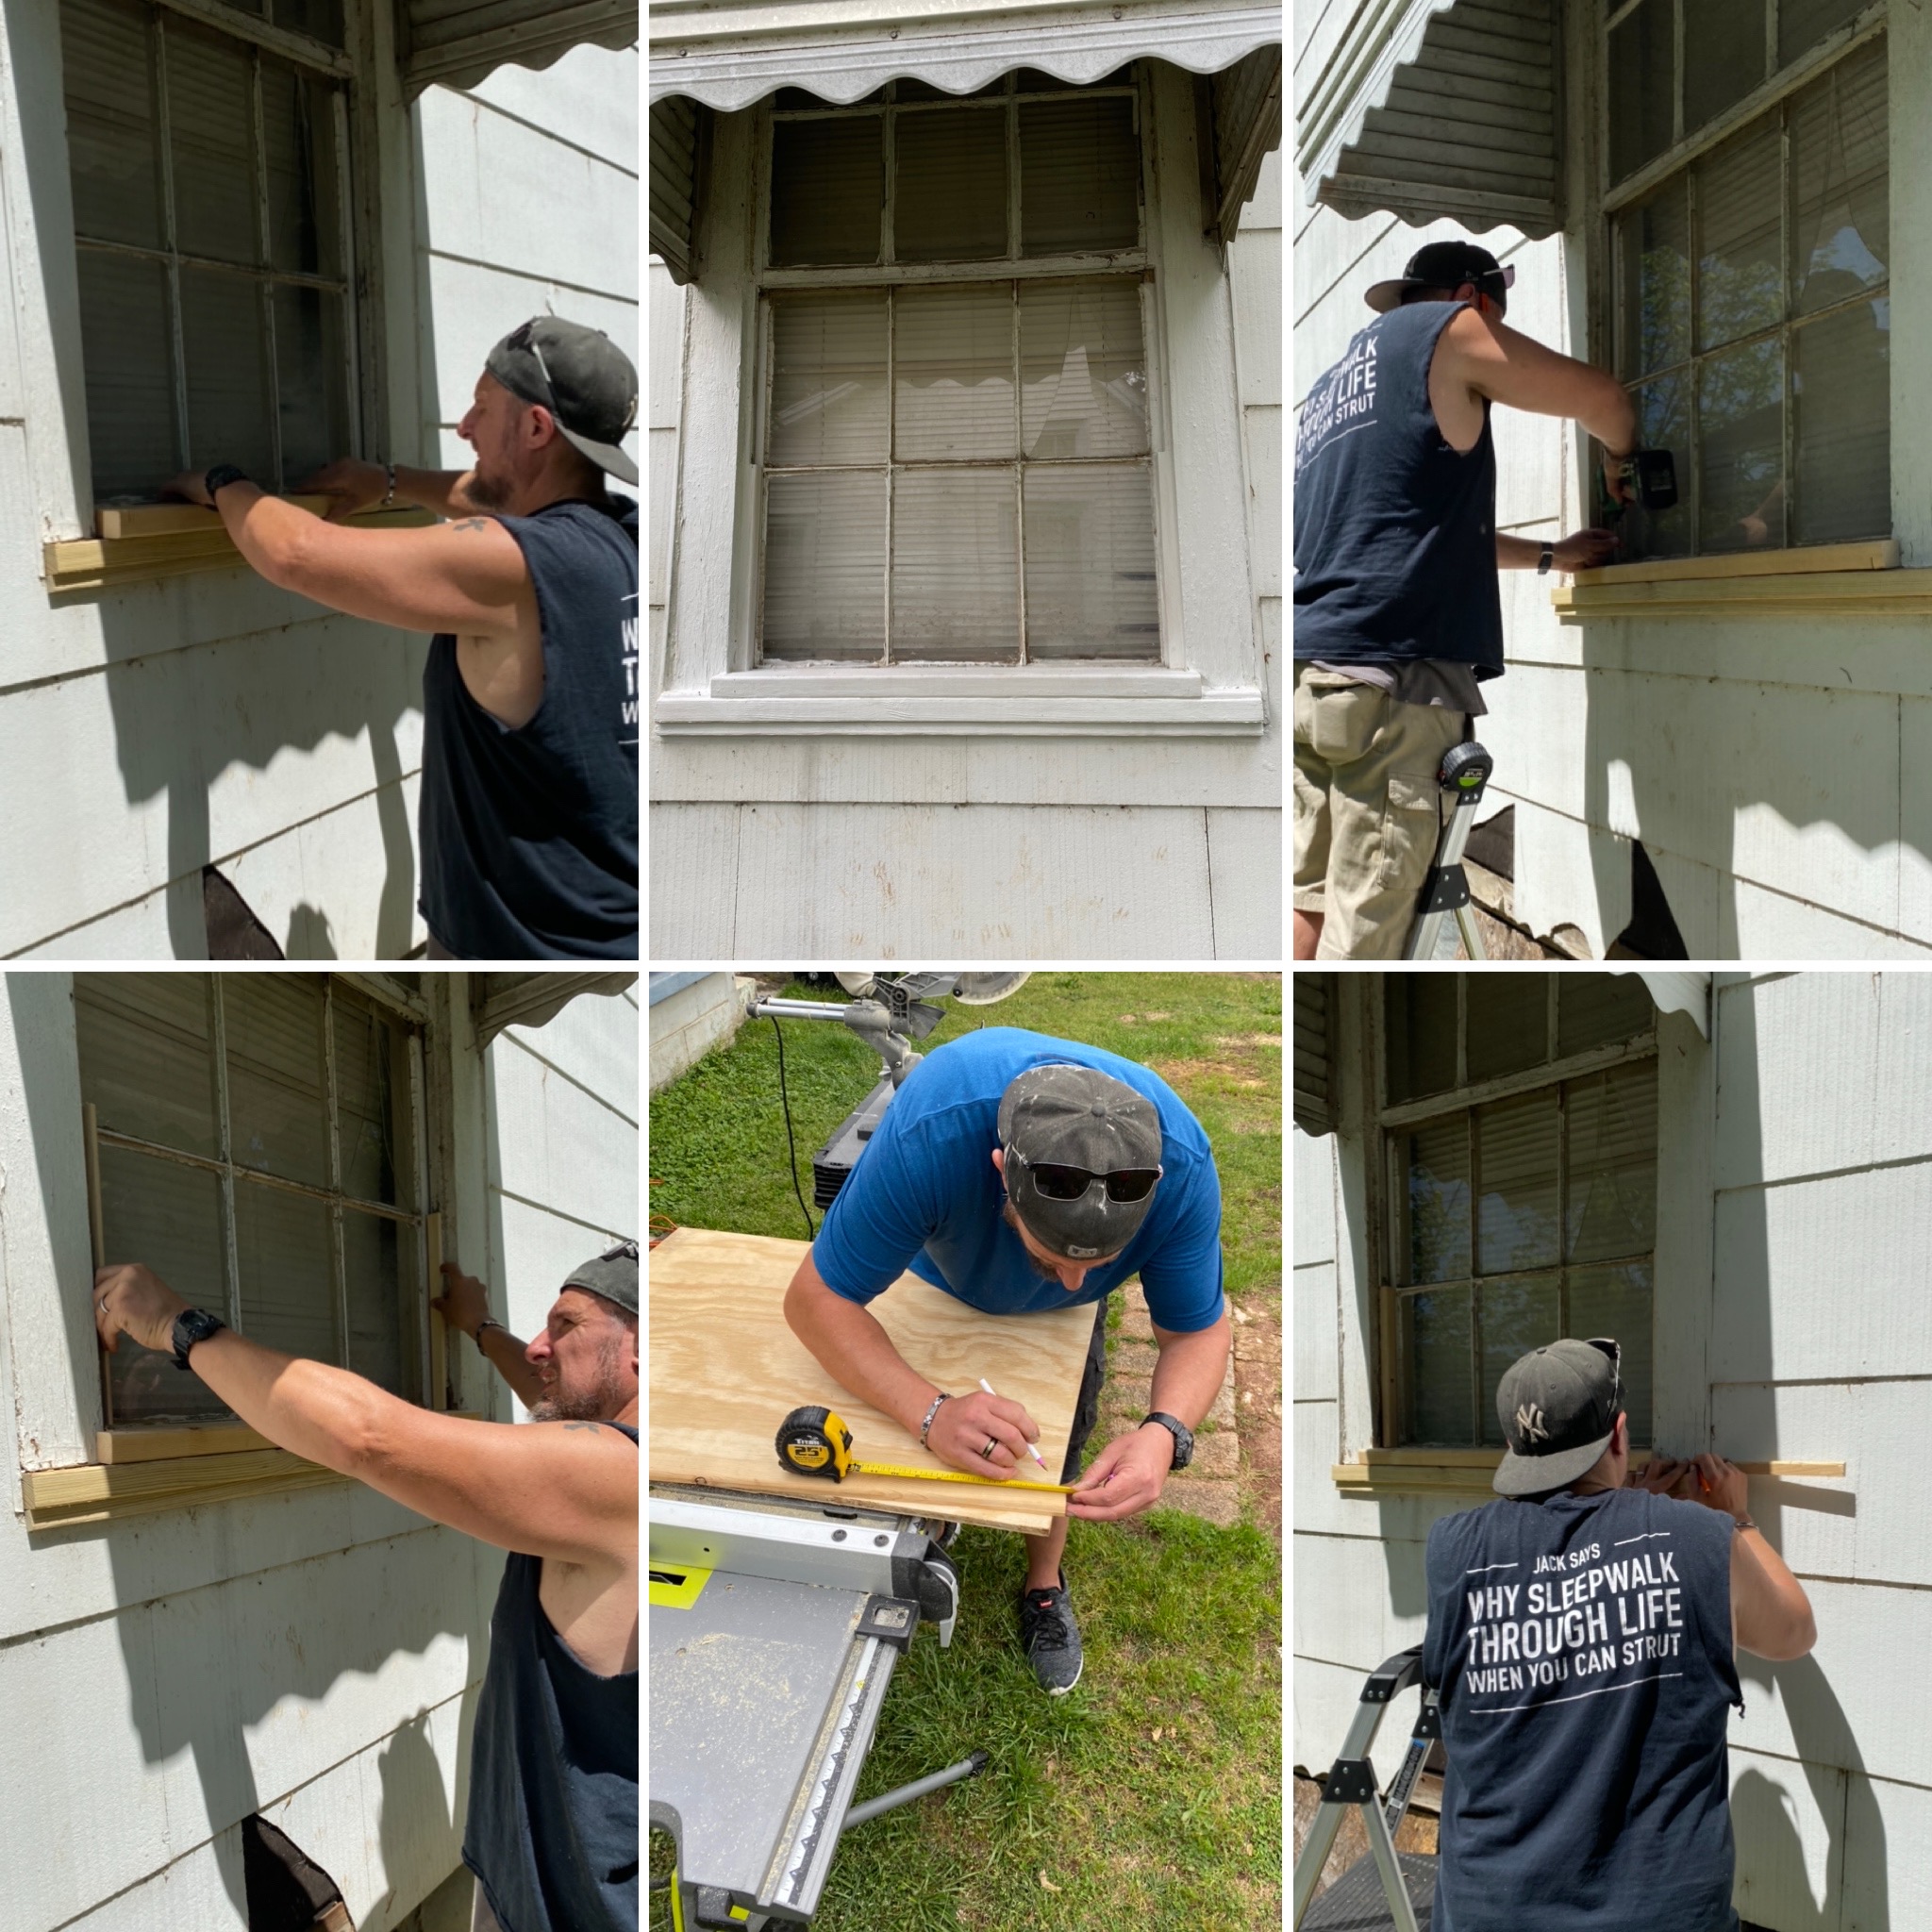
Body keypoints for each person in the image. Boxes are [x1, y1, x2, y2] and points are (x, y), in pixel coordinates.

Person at [94, 1241, 641, 1932]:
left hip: (574, 1905)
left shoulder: (617, 1478)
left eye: (565, 1327)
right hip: (536, 1877)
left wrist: (177, 1324)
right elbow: (551, 1390)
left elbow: (366, 1435)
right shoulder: (631, 1448)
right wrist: (480, 1328)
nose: (538, 1348)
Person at [164, 317, 639, 962]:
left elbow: (295, 554)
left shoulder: (522, 565)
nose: (464, 427)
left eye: (482, 407)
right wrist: (387, 482)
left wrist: (220, 482)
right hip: (608, 913)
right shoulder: (616, 535)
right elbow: (489, 499)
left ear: (534, 428)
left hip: (525, 943)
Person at [782, 1030, 1230, 1695]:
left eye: (1099, 1267)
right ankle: (928, 1529)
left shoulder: (1184, 1172)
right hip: (934, 1281)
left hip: (1035, 1305)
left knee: (1061, 1434)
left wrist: (1165, 1433)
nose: (1073, 1286)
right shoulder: (934, 1129)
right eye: (1053, 1258)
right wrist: (929, 1411)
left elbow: (1197, 1333)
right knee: (906, 1416)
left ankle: (1043, 1584)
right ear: (1001, 1173)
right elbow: (816, 1302)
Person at [1293, 240, 1640, 960]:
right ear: (1473, 301)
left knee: (1311, 904)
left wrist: (1550, 555)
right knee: (1367, 937)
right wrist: (1619, 454)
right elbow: (1602, 400)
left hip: (1319, 679)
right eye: (1497, 320)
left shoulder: (1332, 392)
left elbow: (1417, 536)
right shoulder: (1445, 331)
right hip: (1394, 689)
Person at [1421, 1338, 1816, 1932]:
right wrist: (1737, 1519)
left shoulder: (1455, 1551)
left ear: (1513, 1447)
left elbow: (1557, 1575)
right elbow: (1794, 1633)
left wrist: (1621, 1518)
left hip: (1491, 1911)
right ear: (1620, 1435)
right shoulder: (1694, 1536)